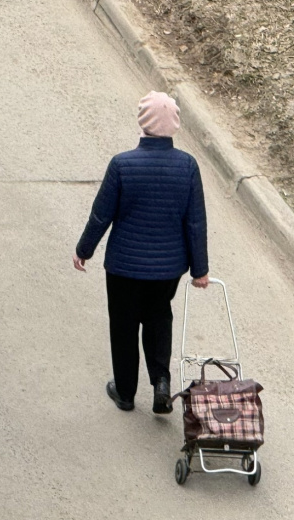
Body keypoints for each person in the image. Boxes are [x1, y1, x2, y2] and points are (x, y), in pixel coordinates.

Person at [74, 91, 210, 415]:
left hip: (124, 266)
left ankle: (125, 393)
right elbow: (195, 222)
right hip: (168, 269)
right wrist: (200, 269)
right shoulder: (188, 167)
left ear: (143, 122)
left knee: (123, 325)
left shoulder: (122, 165)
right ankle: (161, 382)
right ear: (174, 125)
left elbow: (101, 215)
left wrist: (84, 250)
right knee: (158, 319)